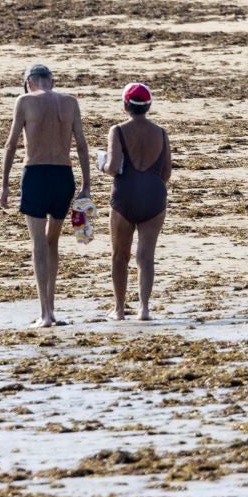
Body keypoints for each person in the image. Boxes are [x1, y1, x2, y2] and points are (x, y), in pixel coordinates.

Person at [0, 63, 91, 328]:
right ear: (51, 80)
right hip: (63, 176)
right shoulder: (70, 102)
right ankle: (52, 307)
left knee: (38, 243)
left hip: (36, 174)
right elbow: (82, 146)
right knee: (53, 242)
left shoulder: (24, 100)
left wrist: (4, 185)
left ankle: (45, 314)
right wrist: (86, 184)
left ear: (29, 81)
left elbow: (11, 143)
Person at [106, 82, 170, 321]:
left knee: (119, 256)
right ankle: (144, 308)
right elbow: (166, 172)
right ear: (148, 106)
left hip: (125, 196)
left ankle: (119, 309)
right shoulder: (161, 132)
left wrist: (103, 166)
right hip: (154, 197)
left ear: (125, 106)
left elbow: (113, 168)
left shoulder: (118, 130)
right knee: (146, 256)